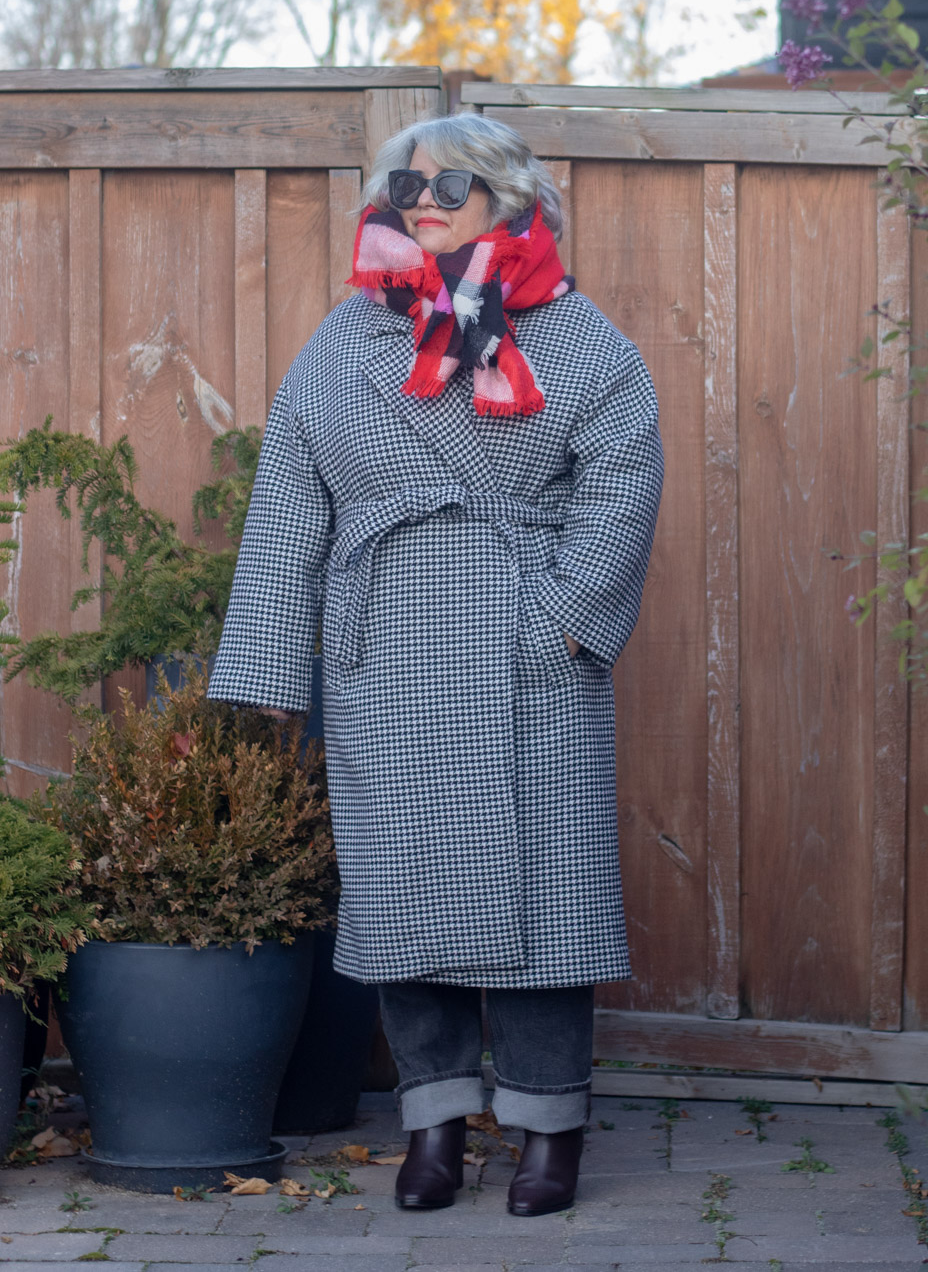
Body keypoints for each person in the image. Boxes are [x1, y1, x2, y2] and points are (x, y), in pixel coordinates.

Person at [208, 112, 664, 1217]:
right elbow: (290, 498)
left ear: (509, 197)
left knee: (544, 912)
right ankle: (433, 1126)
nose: (422, 197)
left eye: (449, 181)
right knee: (404, 896)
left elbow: (621, 484)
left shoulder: (578, 337)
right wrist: (270, 664)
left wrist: (560, 622)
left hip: (524, 655)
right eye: (404, 183)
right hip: (388, 651)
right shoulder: (353, 335)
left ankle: (548, 1132)